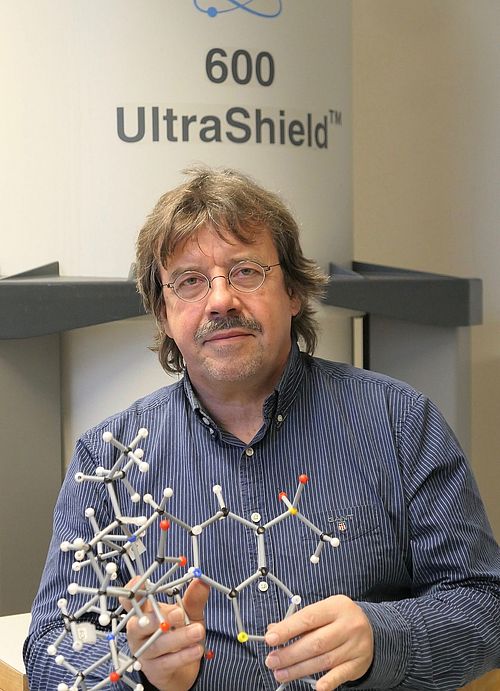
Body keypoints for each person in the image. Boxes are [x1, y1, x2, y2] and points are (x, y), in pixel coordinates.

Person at [25, 167, 500, 691]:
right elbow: (49, 650)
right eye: (189, 282)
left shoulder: (399, 422)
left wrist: (381, 637)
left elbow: (485, 605)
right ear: (163, 314)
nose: (221, 300)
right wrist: (140, 670)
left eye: (246, 271)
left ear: (293, 291)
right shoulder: (109, 460)